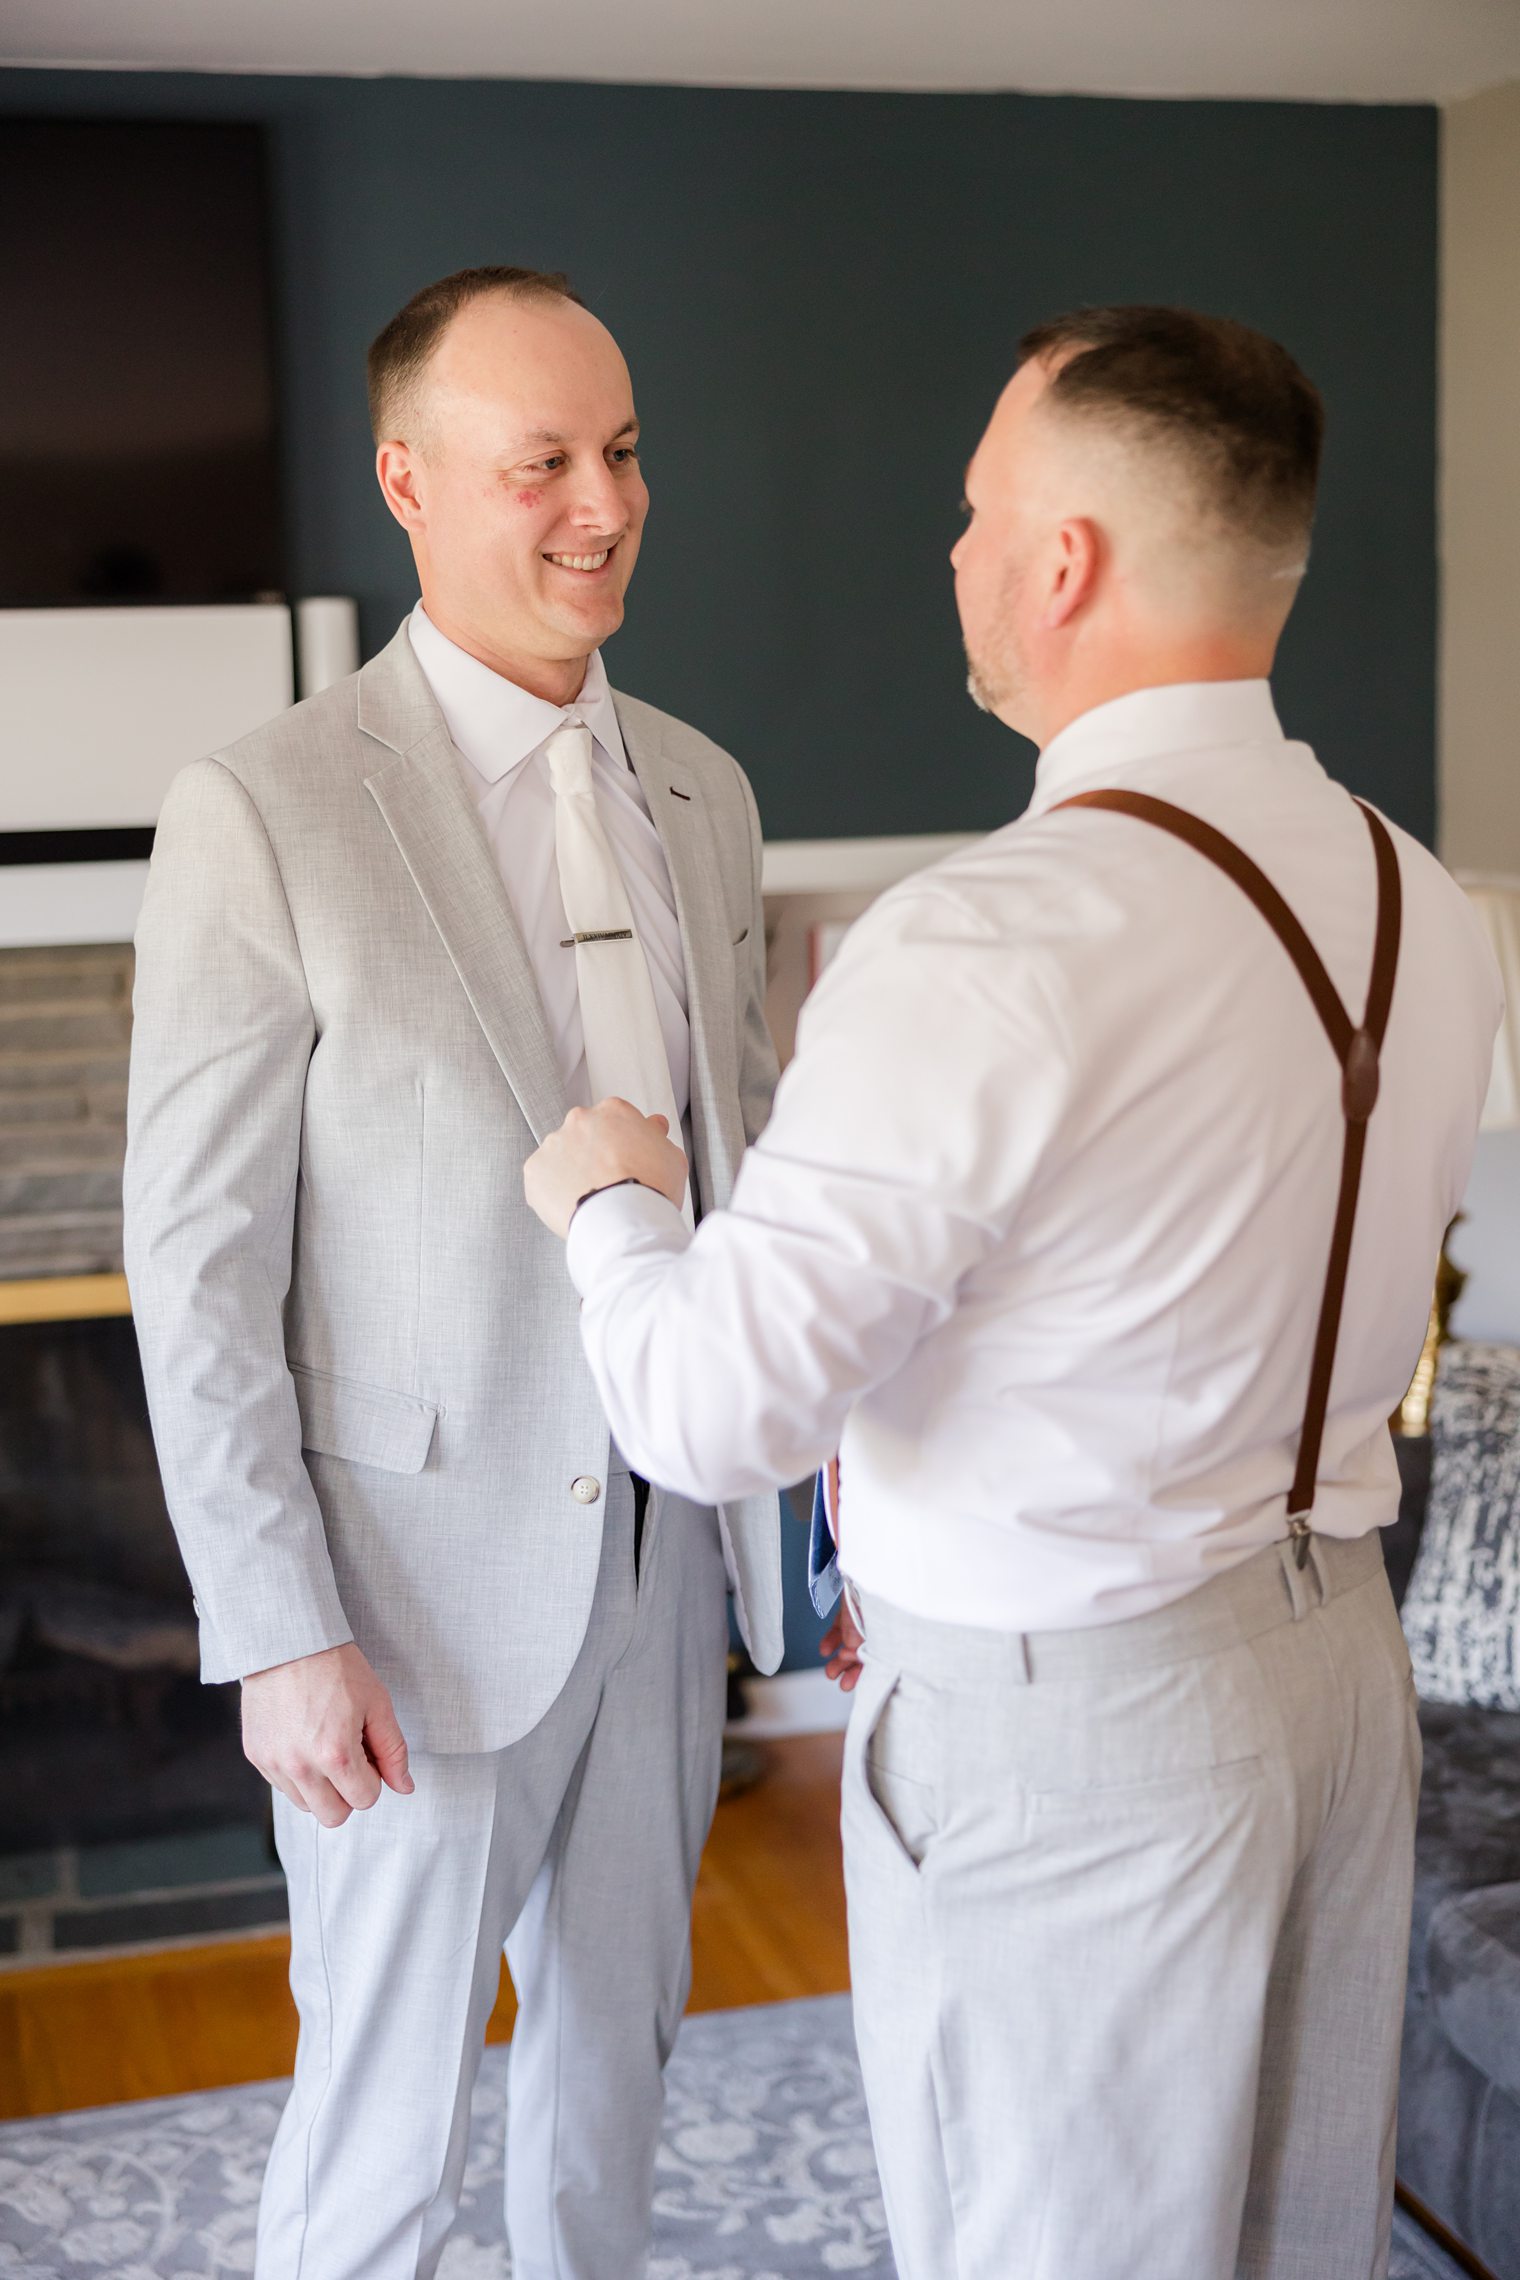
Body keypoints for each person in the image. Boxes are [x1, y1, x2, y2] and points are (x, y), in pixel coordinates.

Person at [523, 306, 1503, 2279]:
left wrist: (612, 1207)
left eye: (978, 514)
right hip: (1333, 1683)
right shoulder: (1424, 897)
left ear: (1064, 563)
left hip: (1081, 1728)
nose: (953, 555)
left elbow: (715, 1410)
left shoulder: (985, 933)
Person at [123, 265, 782, 2280]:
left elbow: (741, 1182)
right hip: (400, 1611)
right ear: (407, 481)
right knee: (384, 2134)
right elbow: (199, 1257)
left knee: (611, 2095)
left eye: (625, 450)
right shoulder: (269, 807)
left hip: (671, 1578)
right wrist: (272, 1628)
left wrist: (806, 1543)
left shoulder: (706, 792)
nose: (605, 503)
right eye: (543, 464)